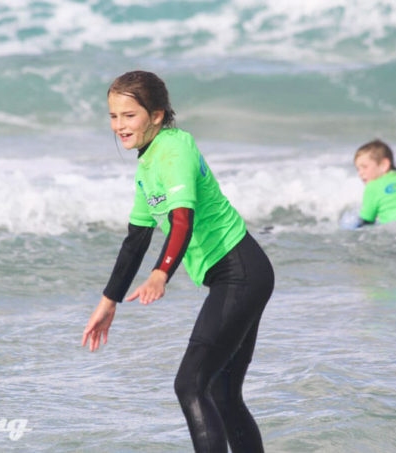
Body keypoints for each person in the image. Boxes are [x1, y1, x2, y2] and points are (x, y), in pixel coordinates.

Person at [81, 70, 274, 453]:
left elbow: (182, 218)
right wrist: (108, 301)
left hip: (240, 271)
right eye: (113, 116)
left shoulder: (176, 147)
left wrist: (161, 274)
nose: (119, 125)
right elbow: (136, 240)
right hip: (240, 274)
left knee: (191, 385)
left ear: (156, 115)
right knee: (221, 391)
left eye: (129, 115)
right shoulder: (147, 165)